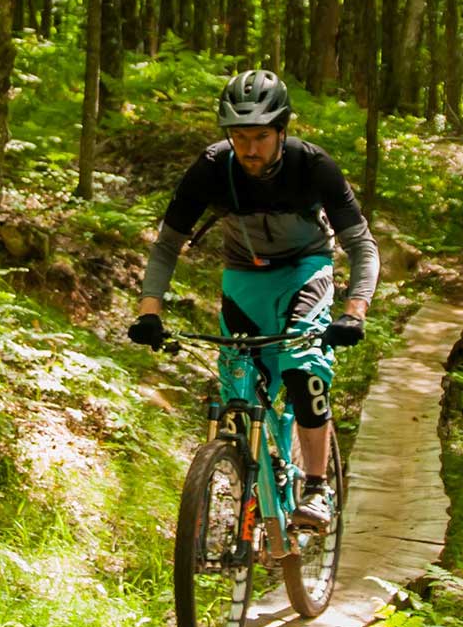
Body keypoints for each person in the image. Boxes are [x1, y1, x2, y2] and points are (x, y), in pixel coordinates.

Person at [128, 70, 380, 531]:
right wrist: (149, 311)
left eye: (261, 136)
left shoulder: (313, 165)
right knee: (238, 389)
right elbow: (166, 246)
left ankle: (317, 487)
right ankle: (248, 495)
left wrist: (354, 312)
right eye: (239, 136)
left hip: (306, 269)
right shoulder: (211, 168)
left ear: (282, 131)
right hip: (243, 276)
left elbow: (362, 246)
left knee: (304, 369)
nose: (249, 148)